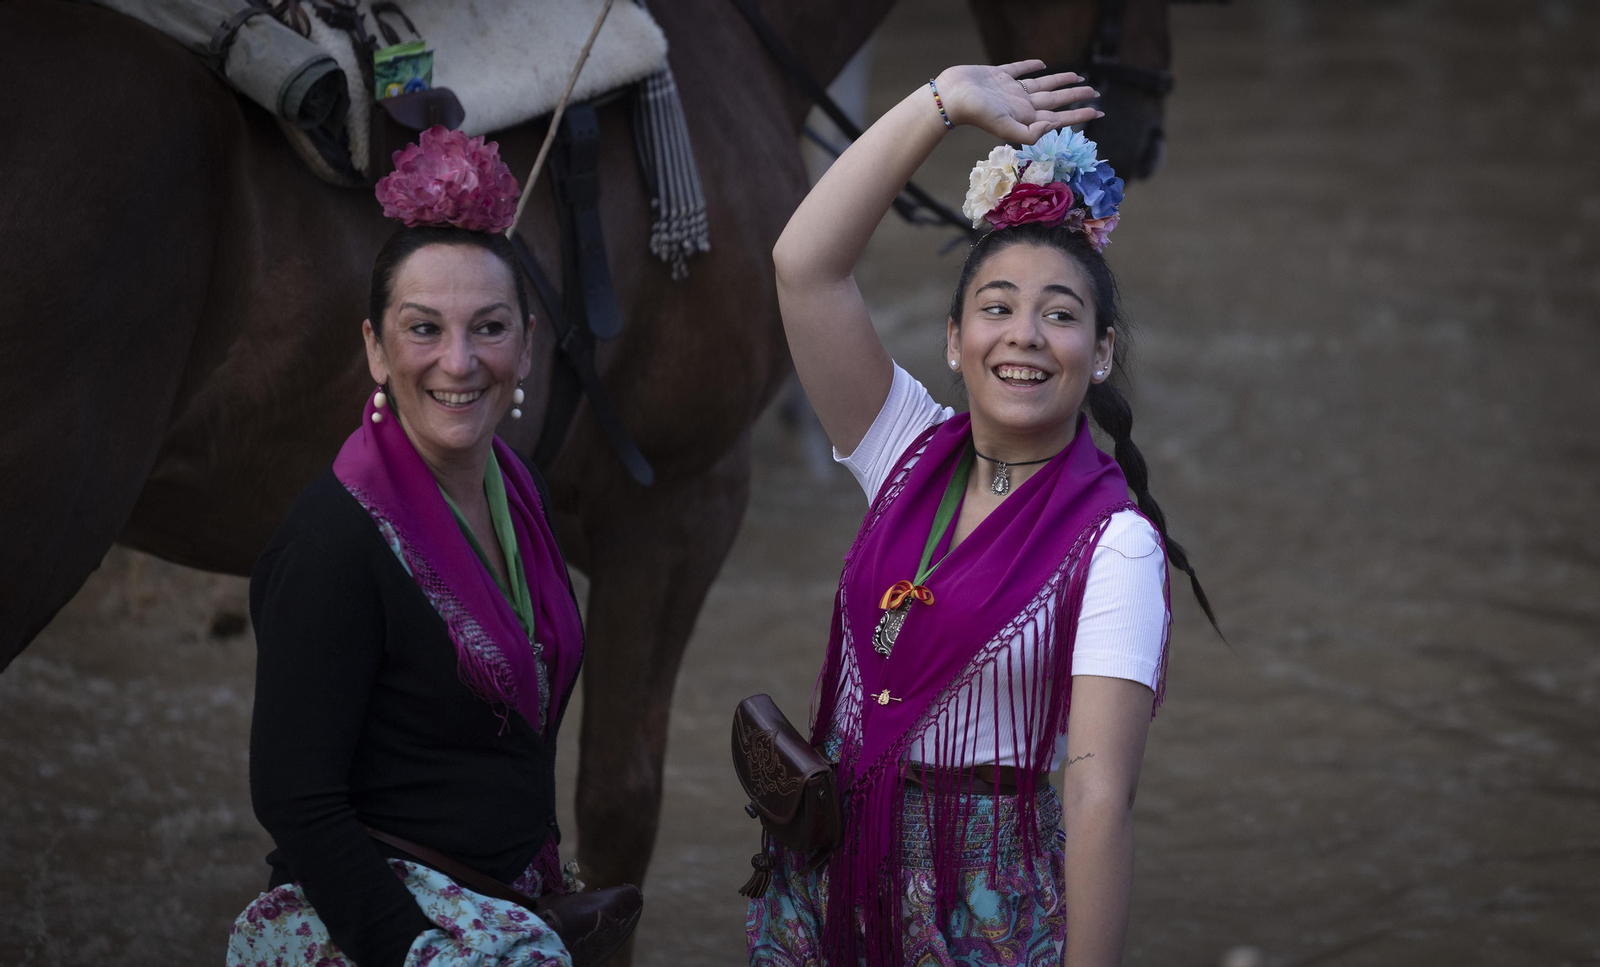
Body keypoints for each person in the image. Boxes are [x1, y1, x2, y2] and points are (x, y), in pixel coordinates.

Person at [745, 62, 1219, 967]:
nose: (1026, 336)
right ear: (956, 342)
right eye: (996, 308)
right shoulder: (907, 450)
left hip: (989, 903)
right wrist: (942, 102)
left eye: (1061, 314)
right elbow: (803, 266)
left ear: (1103, 352)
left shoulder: (1115, 543)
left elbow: (1098, 799)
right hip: (831, 865)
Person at [228, 127, 630, 967]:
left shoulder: (519, 492)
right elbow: (297, 800)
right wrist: (414, 950)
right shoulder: (331, 541)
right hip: (382, 926)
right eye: (423, 329)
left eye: (488, 327)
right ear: (375, 347)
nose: (459, 361)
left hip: (502, 905)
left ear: (526, 343)